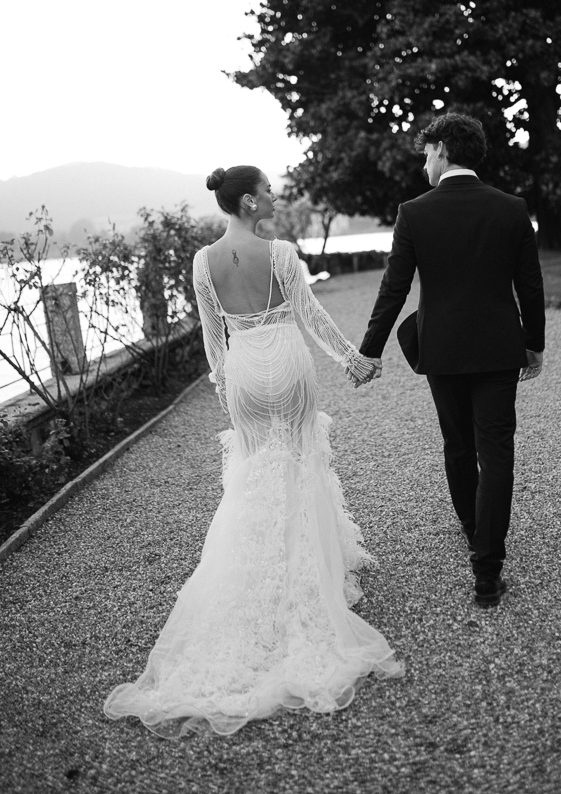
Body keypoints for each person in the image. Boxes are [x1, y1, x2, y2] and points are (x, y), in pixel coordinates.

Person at [104, 165, 402, 738]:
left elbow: (212, 336)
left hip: (243, 372)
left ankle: (254, 575)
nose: (273, 196)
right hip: (287, 366)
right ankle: (312, 575)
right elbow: (310, 316)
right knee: (301, 464)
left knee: (254, 473)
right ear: (247, 201)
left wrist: (225, 388)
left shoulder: (202, 262)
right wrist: (352, 359)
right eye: (266, 190)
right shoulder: (282, 254)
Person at [359, 113, 545, 607]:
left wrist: (370, 350)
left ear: (442, 149)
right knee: (497, 450)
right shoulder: (511, 208)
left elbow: (394, 288)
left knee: (458, 444)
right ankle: (488, 569)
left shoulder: (414, 212)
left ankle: (473, 528)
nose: (424, 164)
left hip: (441, 351)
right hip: (499, 349)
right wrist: (534, 342)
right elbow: (530, 285)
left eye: (426, 154)